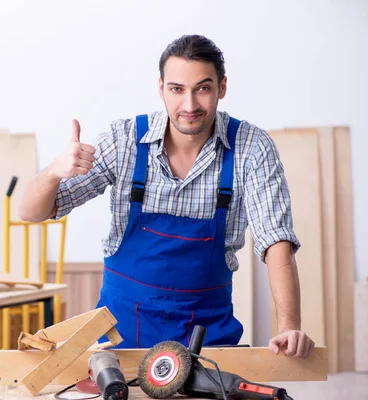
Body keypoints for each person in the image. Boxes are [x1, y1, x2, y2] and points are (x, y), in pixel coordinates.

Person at [18, 34, 315, 359]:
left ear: (222, 87)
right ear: (161, 88)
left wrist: (289, 325)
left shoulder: (251, 148)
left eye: (203, 88)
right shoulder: (125, 141)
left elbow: (276, 242)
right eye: (177, 89)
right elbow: (30, 212)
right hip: (120, 338)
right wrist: (53, 172)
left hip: (207, 341)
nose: (189, 106)